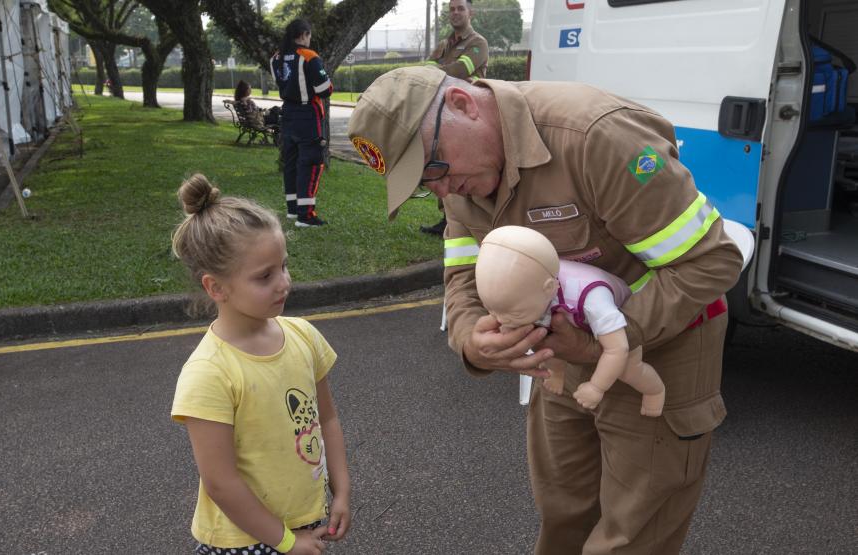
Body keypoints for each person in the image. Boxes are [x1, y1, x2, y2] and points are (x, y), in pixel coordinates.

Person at [348, 66, 743, 554]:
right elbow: (462, 276)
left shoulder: (595, 137)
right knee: (563, 514)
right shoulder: (460, 176)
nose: (442, 192)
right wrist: (472, 340)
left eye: (434, 170)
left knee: (631, 534)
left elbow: (710, 261)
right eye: (424, 185)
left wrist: (604, 342)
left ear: (463, 105)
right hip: (562, 356)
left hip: (659, 350)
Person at [170, 173, 351, 555]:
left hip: (305, 523)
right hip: (242, 541)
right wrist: (286, 542)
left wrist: (342, 491)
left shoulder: (303, 337)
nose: (283, 282)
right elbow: (220, 482)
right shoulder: (209, 372)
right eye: (264, 276)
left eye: (283, 266)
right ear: (216, 288)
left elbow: (327, 419)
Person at [475, 225, 665, 417]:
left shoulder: (593, 299)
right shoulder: (531, 286)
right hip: (567, 313)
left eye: (511, 313)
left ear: (549, 288)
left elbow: (618, 348)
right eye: (491, 309)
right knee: (547, 334)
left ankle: (655, 391)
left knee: (628, 369)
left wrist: (596, 387)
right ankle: (558, 370)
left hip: (618, 319)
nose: (498, 319)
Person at [420, 0, 489, 237]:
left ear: (471, 12)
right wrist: (434, 70)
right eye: (452, 9)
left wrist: (436, 70)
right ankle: (448, 220)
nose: (456, 13)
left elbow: (461, 71)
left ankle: (471, 221)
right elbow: (425, 70)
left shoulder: (478, 43)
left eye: (460, 8)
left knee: (464, 168)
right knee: (444, 166)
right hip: (441, 114)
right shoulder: (442, 45)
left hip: (467, 117)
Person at [270, 19, 333, 227]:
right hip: (307, 114)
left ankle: (293, 209)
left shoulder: (276, 58)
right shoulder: (309, 56)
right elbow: (325, 89)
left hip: (287, 113)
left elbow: (282, 82)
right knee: (311, 161)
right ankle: (306, 216)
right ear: (304, 34)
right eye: (309, 35)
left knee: (291, 162)